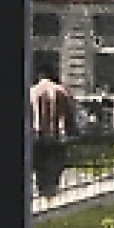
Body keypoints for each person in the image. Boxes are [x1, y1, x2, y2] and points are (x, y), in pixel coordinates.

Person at [30, 65, 78, 198]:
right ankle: (51, 197)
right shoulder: (61, 91)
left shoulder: (32, 91)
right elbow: (70, 116)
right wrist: (73, 132)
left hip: (37, 138)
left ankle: (40, 200)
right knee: (54, 171)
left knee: (40, 170)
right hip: (57, 138)